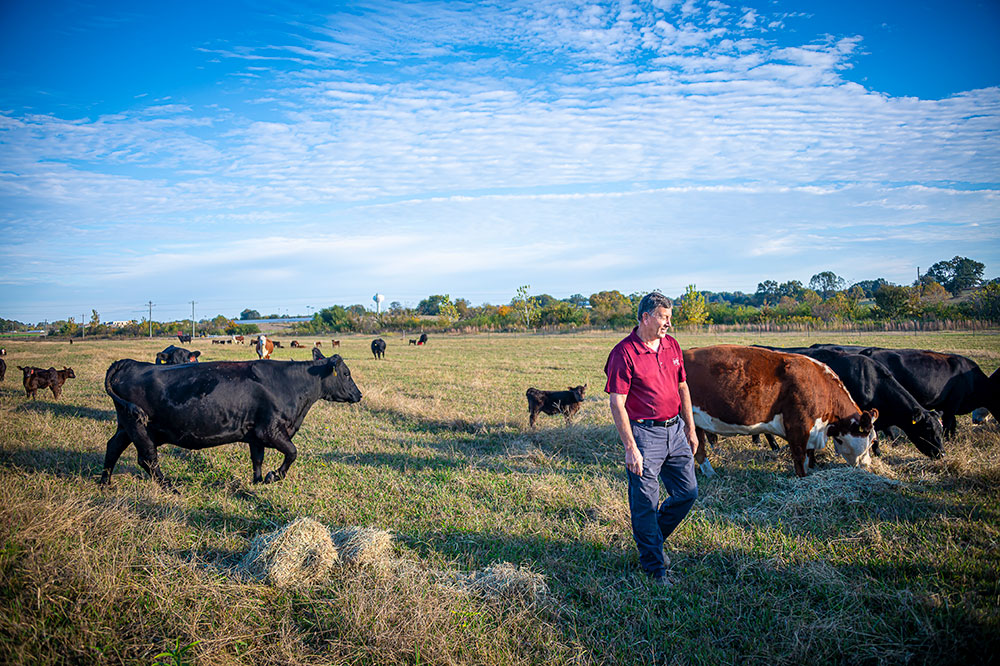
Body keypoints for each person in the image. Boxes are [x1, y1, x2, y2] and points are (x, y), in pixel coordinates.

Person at [604, 292, 699, 584]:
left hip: (675, 430)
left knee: (687, 493)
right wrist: (630, 447)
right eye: (663, 317)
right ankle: (655, 570)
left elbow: (682, 386)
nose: (668, 324)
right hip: (644, 435)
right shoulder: (624, 353)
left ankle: (651, 539)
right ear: (645, 317)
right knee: (646, 501)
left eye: (670, 317)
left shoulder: (672, 345)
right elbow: (617, 403)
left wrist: (690, 428)